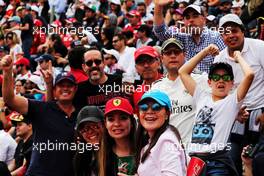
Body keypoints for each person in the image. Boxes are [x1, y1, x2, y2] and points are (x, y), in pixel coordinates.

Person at [178, 44, 254, 175]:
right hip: (195, 160)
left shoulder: (232, 101)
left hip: (217, 162)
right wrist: (206, 51)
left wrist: (238, 56)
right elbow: (183, 72)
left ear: (232, 83)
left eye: (226, 78)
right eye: (216, 77)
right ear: (209, 82)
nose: (221, 81)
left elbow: (249, 75)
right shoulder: (201, 96)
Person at [1, 53, 79, 176]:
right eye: (61, 85)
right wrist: (7, 72)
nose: (65, 88)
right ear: (54, 90)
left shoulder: (80, 115)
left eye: (69, 85)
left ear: (75, 89)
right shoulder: (41, 108)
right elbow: (10, 99)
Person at [214, 14, 264, 175]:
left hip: (261, 112)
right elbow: (218, 94)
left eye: (234, 31)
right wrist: (233, 113)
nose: (230, 36)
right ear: (221, 36)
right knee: (232, 159)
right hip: (236, 117)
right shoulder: (219, 59)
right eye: (226, 32)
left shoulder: (259, 47)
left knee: (259, 162)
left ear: (243, 31)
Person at [151, 38, 209, 147]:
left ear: (184, 55)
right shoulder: (156, 87)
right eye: (168, 53)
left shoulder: (200, 79)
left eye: (177, 52)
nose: (173, 55)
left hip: (196, 150)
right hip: (168, 150)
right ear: (162, 58)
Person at [153, 1, 226, 73]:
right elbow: (161, 32)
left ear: (204, 19)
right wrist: (158, 6)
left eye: (195, 16)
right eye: (187, 17)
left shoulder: (216, 37)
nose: (191, 20)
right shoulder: (183, 38)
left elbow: (226, 63)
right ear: (184, 22)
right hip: (186, 83)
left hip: (210, 83)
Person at [136, 90, 186, 175]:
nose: (149, 111)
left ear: (167, 114)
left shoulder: (166, 141)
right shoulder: (157, 139)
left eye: (156, 107)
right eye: (144, 107)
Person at [99, 97, 136, 176]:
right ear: (105, 124)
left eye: (123, 118)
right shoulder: (100, 156)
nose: (117, 124)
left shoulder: (146, 150)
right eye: (111, 119)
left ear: (132, 122)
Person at [74, 106, 104, 176]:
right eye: (84, 129)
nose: (90, 131)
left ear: (104, 125)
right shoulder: (81, 157)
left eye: (94, 126)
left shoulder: (116, 152)